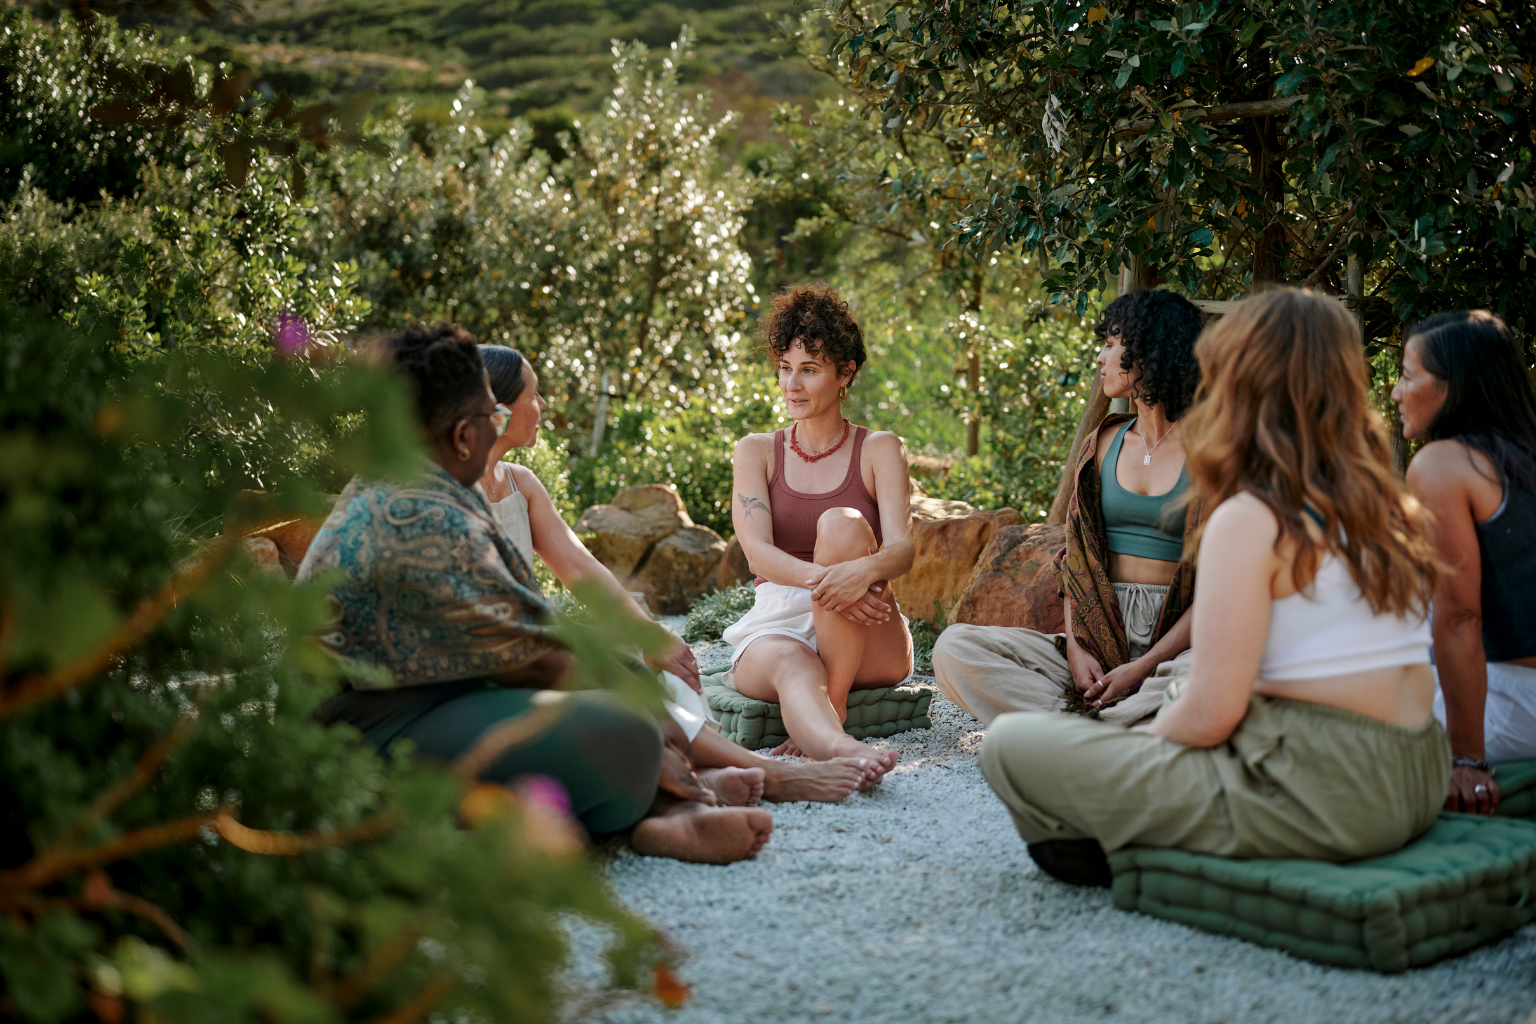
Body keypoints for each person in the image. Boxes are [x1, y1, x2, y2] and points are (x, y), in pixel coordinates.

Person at [981, 288, 1448, 886]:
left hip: (1335, 792)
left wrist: (1124, 757)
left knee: (1012, 748)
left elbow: (1209, 715)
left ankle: (1135, 834)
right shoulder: (1388, 504)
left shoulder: (1252, 516)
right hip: (1420, 772)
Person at [299, 322, 772, 864]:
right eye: (490, 416)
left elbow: (530, 622)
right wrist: (657, 727)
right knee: (627, 730)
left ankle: (669, 810)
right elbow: (535, 661)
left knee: (627, 678)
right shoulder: (416, 510)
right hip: (359, 739)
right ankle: (670, 801)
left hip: (437, 694)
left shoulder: (433, 484)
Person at [475, 342, 883, 802]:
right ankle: (770, 774)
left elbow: (584, 572)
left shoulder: (521, 484)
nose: (544, 404)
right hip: (503, 649)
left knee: (667, 675)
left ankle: (699, 779)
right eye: (533, 395)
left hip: (533, 642)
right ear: (499, 413)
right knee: (624, 678)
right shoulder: (448, 493)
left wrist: (653, 636)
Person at [933, 290, 1205, 726]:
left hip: (1176, 646)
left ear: (1149, 350)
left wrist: (1145, 665)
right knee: (955, 648)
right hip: (1099, 631)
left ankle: (1083, 728)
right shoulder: (1102, 444)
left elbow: (1220, 586)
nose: (1100, 357)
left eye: (1112, 344)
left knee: (1207, 677)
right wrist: (1078, 653)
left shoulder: (1213, 451)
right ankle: (1120, 725)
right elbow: (1075, 561)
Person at [725, 284, 911, 774]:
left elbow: (903, 550)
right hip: (782, 617)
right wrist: (833, 580)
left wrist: (861, 570)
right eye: (785, 368)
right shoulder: (756, 451)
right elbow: (758, 555)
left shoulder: (880, 449)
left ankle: (834, 698)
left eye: (809, 370)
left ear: (845, 372)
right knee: (793, 665)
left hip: (868, 627)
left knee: (842, 525)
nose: (792, 385)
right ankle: (847, 752)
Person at [1393, 310, 1536, 815]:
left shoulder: (1443, 465)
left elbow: (1458, 618)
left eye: (1408, 376)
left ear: (1457, 387)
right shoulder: (1518, 459)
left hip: (1509, 705)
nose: (1394, 392)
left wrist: (1466, 757)